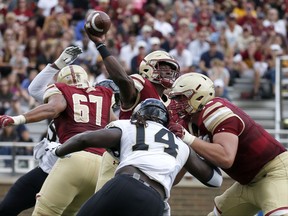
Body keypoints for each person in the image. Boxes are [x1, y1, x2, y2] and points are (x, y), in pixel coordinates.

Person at [46, 98, 223, 216]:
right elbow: (215, 181)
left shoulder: (129, 126)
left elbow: (85, 138)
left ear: (139, 115)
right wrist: (202, 149)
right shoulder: (182, 145)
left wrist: (57, 151)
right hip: (155, 201)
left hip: (126, 185)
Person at [0, 56, 117, 216]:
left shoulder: (63, 93)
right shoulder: (102, 99)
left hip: (62, 163)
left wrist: (18, 118)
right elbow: (118, 130)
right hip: (97, 166)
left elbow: (42, 98)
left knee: (29, 210)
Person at [168, 72, 288, 216]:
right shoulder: (189, 125)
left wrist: (188, 138)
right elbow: (183, 165)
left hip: (274, 172)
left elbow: (226, 157)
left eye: (181, 97)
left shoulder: (215, 110)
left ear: (199, 96)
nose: (176, 103)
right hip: (247, 183)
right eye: (175, 98)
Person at [85, 30, 181, 197]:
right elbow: (122, 79)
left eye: (171, 68)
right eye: (163, 67)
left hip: (149, 164)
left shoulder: (170, 103)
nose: (168, 71)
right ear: (148, 68)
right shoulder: (140, 84)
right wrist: (101, 46)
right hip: (120, 158)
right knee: (104, 206)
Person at [0, 46, 83, 215]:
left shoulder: (65, 98)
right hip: (54, 167)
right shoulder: (95, 100)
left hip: (62, 168)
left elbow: (36, 91)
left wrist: (18, 119)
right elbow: (35, 91)